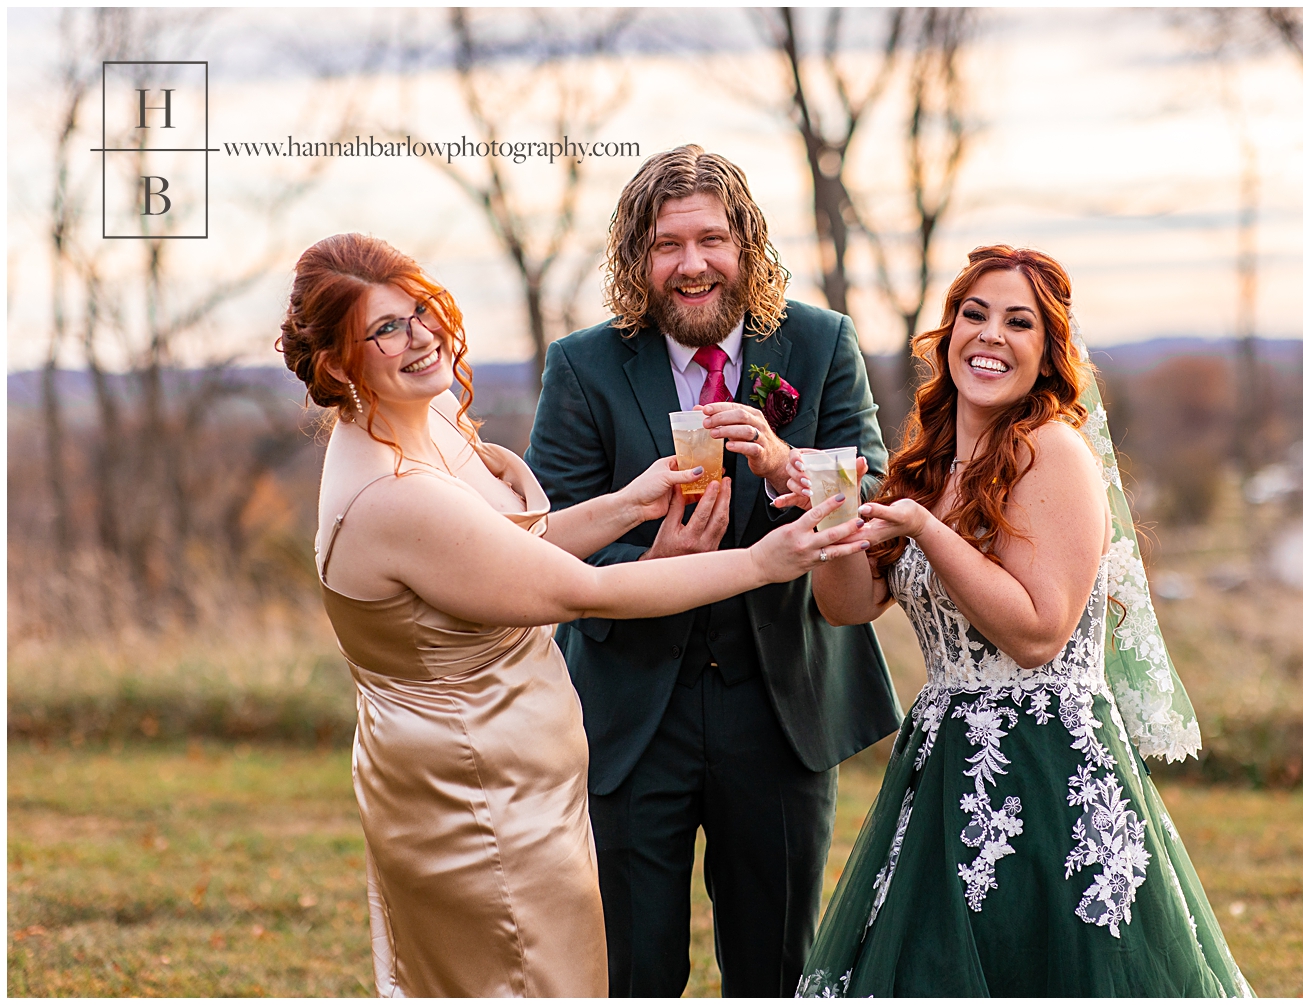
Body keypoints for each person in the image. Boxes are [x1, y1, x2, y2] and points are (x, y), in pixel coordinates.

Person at [275, 233, 866, 998]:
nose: (420, 337)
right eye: (385, 328)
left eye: (420, 311)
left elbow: (512, 548)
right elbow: (577, 591)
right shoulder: (392, 496)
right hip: (470, 796)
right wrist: (763, 561)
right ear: (335, 364)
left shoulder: (428, 423)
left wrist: (628, 502)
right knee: (520, 979)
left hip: (523, 777)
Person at [794, 246, 1254, 997]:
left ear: (1047, 353)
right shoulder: (930, 464)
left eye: (1019, 322)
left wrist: (924, 529)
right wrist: (833, 524)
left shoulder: (1054, 453)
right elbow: (847, 605)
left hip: (1048, 773)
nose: (990, 335)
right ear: (946, 334)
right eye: (974, 315)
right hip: (941, 773)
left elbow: (1039, 632)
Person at [524, 145, 901, 997]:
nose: (691, 265)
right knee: (633, 970)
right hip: (628, 711)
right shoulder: (583, 366)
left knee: (774, 969)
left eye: (712, 240)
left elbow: (873, 492)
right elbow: (546, 540)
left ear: (747, 246)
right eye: (666, 245)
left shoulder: (819, 341)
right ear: (637, 259)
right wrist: (651, 563)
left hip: (779, 706)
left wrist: (785, 468)